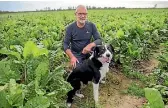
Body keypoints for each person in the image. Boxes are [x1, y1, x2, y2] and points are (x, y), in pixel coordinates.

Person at [63, 5, 102, 69]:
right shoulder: (70, 28)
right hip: (76, 54)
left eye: (84, 14)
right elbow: (65, 44)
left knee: (98, 65)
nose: (82, 16)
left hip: (89, 51)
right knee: (79, 70)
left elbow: (99, 40)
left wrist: (90, 45)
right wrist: (72, 57)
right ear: (75, 14)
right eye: (80, 14)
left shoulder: (91, 26)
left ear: (87, 14)